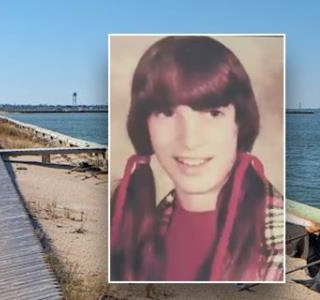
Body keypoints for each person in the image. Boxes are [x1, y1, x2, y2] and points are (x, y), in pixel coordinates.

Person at [110, 36, 284, 281]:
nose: (190, 140)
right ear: (144, 126)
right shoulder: (141, 227)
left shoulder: (275, 238)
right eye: (167, 112)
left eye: (213, 113)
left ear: (240, 123)